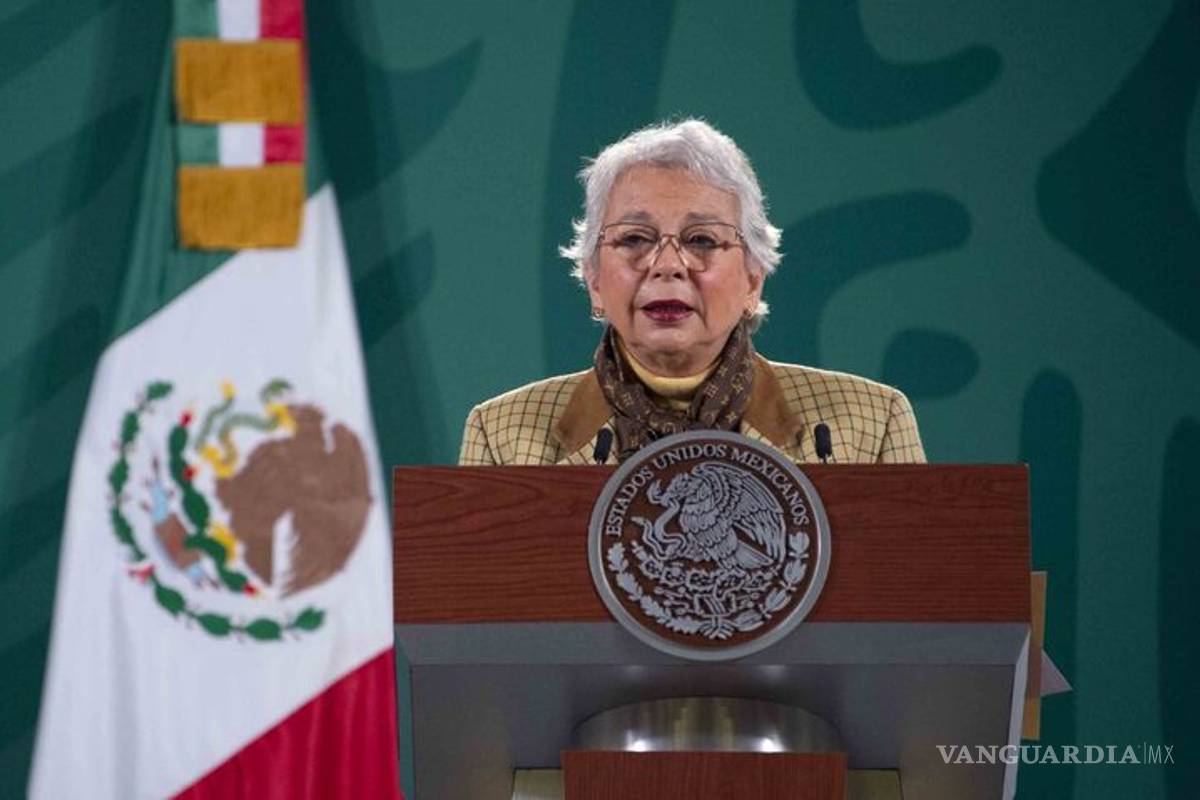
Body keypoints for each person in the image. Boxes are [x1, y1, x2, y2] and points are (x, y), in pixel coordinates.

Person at [459, 119, 925, 466]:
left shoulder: (872, 424)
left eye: (702, 240)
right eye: (634, 240)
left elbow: (920, 595)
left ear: (753, 279)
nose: (666, 266)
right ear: (594, 280)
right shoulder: (502, 437)